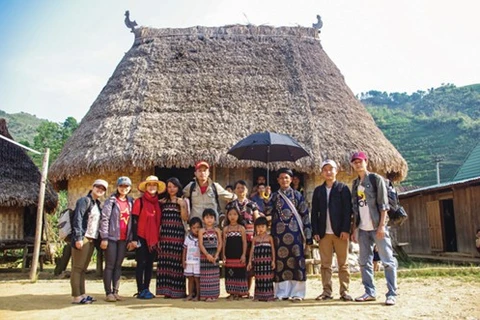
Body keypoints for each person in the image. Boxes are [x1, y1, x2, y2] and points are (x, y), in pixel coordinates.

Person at [350, 151, 398, 306]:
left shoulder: (376, 179)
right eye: (355, 162)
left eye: (360, 161)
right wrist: (354, 229)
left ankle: (392, 293)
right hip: (363, 228)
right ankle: (369, 291)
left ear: (366, 162)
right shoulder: (355, 184)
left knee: (387, 261)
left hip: (377, 225)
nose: (358, 164)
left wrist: (382, 226)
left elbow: (383, 205)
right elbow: (355, 208)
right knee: (364, 262)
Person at [264, 168, 313, 301]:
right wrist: (266, 197)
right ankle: (282, 293)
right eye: (281, 178)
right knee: (281, 264)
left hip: (296, 235)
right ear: (278, 180)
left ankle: (297, 293)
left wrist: (308, 238)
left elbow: (305, 216)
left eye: (286, 178)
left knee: (296, 262)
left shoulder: (297, 196)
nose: (284, 180)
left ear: (291, 180)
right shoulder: (274, 196)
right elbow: (267, 212)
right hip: (279, 237)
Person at [311, 160, 353, 301]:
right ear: (322, 172)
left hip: (340, 232)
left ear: (336, 170)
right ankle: (326, 291)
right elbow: (314, 213)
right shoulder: (318, 191)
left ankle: (344, 291)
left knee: (343, 264)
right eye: (325, 169)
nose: (328, 172)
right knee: (325, 264)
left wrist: (346, 229)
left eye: (331, 169)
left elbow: (348, 211)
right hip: (324, 233)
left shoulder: (343, 189)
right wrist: (315, 230)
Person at [70, 179, 108, 304]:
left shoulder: (96, 204)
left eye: (103, 189)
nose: (100, 190)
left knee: (83, 268)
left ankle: (82, 294)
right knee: (77, 268)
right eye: (98, 187)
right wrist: (78, 237)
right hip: (83, 237)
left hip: (91, 239)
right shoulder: (84, 201)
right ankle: (76, 296)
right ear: (93, 187)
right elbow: (78, 219)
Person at [99, 176, 136, 302]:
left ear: (130, 188)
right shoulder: (111, 201)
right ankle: (108, 292)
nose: (124, 188)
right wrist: (104, 237)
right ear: (117, 187)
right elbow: (104, 219)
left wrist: (131, 239)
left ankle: (116, 291)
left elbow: (132, 222)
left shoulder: (131, 202)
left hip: (123, 238)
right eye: (121, 186)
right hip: (111, 238)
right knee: (110, 265)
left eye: (126, 186)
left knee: (118, 265)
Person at [132, 175, 166, 299]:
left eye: (154, 185)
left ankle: (146, 288)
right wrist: (135, 239)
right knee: (141, 263)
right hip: (141, 236)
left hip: (153, 239)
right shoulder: (139, 202)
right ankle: (140, 289)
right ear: (146, 187)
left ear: (157, 188)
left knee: (149, 264)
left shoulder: (158, 204)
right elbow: (134, 221)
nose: (152, 187)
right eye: (149, 185)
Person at [226, 180, 260, 295]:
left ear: (247, 189)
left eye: (243, 188)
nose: (241, 190)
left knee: (248, 264)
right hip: (234, 238)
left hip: (250, 237)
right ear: (235, 190)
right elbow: (226, 221)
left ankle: (247, 290)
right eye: (238, 188)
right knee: (234, 263)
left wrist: (257, 234)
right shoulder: (231, 204)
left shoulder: (252, 204)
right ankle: (234, 290)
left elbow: (257, 220)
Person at [157, 177, 189, 299]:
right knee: (166, 263)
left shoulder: (183, 201)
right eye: (169, 187)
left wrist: (182, 206)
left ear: (178, 187)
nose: (171, 189)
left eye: (174, 186)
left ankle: (178, 292)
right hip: (165, 236)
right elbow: (159, 221)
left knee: (177, 263)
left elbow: (185, 218)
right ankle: (166, 291)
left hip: (177, 236)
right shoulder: (162, 202)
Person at [222, 206, 248, 300]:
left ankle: (240, 292)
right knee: (230, 273)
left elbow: (244, 242)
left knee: (239, 273)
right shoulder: (226, 229)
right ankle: (232, 292)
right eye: (230, 214)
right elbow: (224, 243)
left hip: (239, 255)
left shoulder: (241, 228)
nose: (232, 217)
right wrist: (223, 255)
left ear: (238, 215)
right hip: (229, 255)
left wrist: (244, 254)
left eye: (235, 214)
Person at [247, 217, 275, 302]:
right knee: (258, 279)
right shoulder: (255, 239)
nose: (261, 229)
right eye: (258, 227)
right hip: (258, 263)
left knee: (268, 279)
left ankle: (269, 296)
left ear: (267, 227)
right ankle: (258, 296)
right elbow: (252, 250)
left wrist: (273, 260)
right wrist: (249, 262)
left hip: (267, 262)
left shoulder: (269, 238)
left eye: (263, 226)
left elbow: (273, 250)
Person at [198, 208, 222, 302]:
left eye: (211, 217)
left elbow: (220, 243)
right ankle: (206, 296)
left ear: (215, 219)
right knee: (205, 276)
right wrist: (207, 255)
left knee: (214, 276)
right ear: (203, 219)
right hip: (205, 256)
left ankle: (214, 295)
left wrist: (216, 255)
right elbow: (200, 244)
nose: (209, 220)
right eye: (207, 217)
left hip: (214, 255)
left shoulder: (217, 230)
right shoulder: (201, 231)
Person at [183, 217, 202, 301]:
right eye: (194, 228)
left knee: (197, 279)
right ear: (190, 228)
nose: (196, 230)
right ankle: (190, 294)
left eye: (198, 227)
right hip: (189, 262)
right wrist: (183, 260)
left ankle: (198, 295)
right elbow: (185, 250)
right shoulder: (188, 238)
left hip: (198, 262)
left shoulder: (202, 238)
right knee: (190, 279)